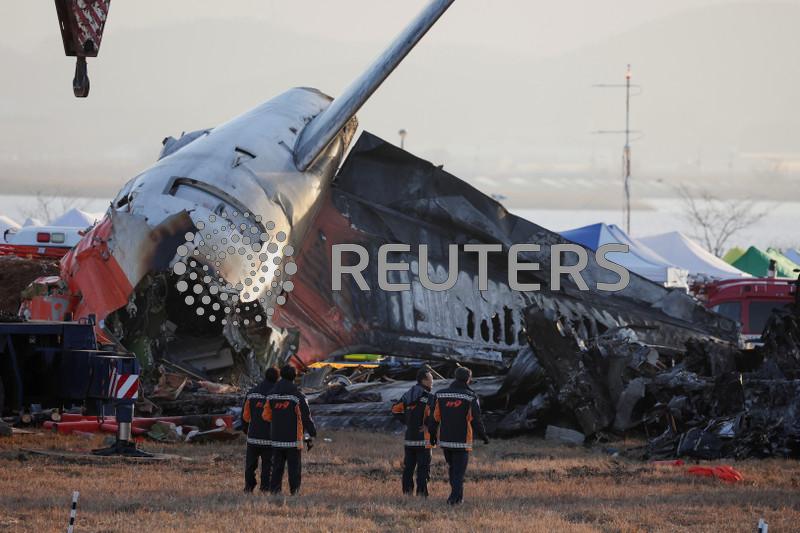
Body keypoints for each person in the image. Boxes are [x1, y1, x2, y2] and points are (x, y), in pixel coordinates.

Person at [428, 366, 488, 505]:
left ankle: (458, 498)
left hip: (446, 441)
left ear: (455, 377)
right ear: (468, 379)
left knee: (453, 469)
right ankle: (453, 499)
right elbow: (476, 419)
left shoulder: (440, 394)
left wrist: (432, 435)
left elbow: (434, 418)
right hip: (462, 441)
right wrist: (483, 436)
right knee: (459, 473)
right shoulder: (470, 396)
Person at [262, 364, 316, 495]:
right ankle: (294, 492)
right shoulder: (298, 396)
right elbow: (306, 416)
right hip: (293, 440)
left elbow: (265, 416)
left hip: (276, 438)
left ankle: (275, 491)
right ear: (294, 376)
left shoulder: (271, 395)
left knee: (276, 468)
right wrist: (312, 432)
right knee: (294, 468)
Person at [391, 367, 434, 496]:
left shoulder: (407, 394)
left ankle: (407, 493)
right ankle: (421, 495)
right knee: (423, 468)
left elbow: (395, 410)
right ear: (424, 380)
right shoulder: (429, 397)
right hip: (424, 440)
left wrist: (407, 422)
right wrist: (428, 425)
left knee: (408, 468)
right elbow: (435, 416)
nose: (432, 382)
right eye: (431, 379)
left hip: (410, 439)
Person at [242, 366, 280, 492]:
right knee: (268, 465)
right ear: (277, 378)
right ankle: (265, 488)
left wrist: (246, 430)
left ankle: (249, 487)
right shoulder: (278, 396)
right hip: (270, 438)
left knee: (250, 466)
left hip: (253, 437)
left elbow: (245, 416)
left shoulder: (252, 393)